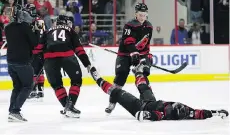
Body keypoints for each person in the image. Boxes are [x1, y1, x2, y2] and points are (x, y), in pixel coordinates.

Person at [89, 59, 229, 121]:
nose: (177, 104)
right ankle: (138, 72)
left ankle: (97, 79)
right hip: (151, 101)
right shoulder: (186, 111)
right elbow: (200, 113)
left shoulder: (164, 113)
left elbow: (152, 116)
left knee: (116, 92)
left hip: (139, 106)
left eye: (175, 107)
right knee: (144, 85)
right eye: (178, 105)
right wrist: (215, 112)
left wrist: (146, 116)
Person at [37, 15, 94, 118]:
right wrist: (87, 64)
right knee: (76, 81)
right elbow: (79, 50)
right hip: (67, 56)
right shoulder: (70, 31)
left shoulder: (47, 31)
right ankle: (70, 106)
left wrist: (40, 64)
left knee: (56, 85)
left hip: (49, 59)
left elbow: (38, 49)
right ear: (65, 22)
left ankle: (67, 107)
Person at [105, 2, 154, 114]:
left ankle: (146, 101)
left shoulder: (149, 26)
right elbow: (128, 42)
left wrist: (147, 54)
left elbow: (146, 44)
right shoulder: (129, 25)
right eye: (140, 15)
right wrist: (134, 53)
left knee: (143, 74)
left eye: (144, 15)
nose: (142, 17)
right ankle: (111, 103)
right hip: (125, 54)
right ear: (136, 14)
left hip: (139, 54)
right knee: (120, 77)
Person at [5, 4, 39, 122]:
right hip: (22, 62)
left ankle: (12, 111)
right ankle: (15, 111)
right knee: (27, 86)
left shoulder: (7, 28)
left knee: (17, 86)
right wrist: (37, 31)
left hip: (10, 61)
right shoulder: (25, 27)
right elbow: (35, 43)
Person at [26, 4, 45, 100]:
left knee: (33, 72)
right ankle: (40, 91)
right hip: (41, 49)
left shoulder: (30, 21)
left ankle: (33, 91)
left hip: (34, 49)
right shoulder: (40, 19)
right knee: (40, 71)